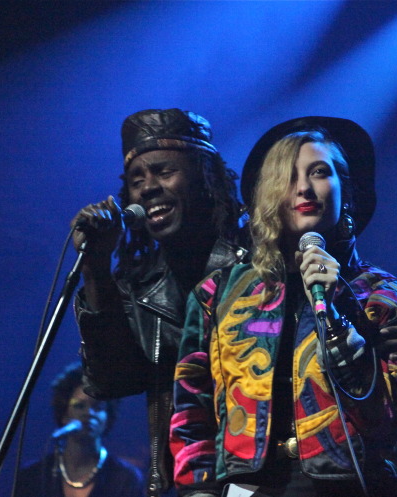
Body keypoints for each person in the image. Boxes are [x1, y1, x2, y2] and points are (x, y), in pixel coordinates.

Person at [169, 116, 397, 497]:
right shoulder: (219, 293)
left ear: (345, 192)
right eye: (287, 176)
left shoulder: (387, 297)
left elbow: (390, 419)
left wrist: (339, 315)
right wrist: (198, 490)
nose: (303, 188)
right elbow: (190, 405)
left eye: (319, 173)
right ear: (267, 194)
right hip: (246, 487)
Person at [71, 109, 248, 496]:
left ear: (204, 176)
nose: (148, 188)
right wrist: (97, 267)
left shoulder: (256, 259)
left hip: (266, 475)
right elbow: (112, 379)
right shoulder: (137, 284)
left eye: (164, 172)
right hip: (193, 481)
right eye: (137, 180)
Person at [16, 362, 145, 497]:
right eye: (79, 406)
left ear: (108, 416)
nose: (88, 413)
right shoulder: (34, 476)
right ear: (64, 413)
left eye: (98, 407)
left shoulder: (125, 479)